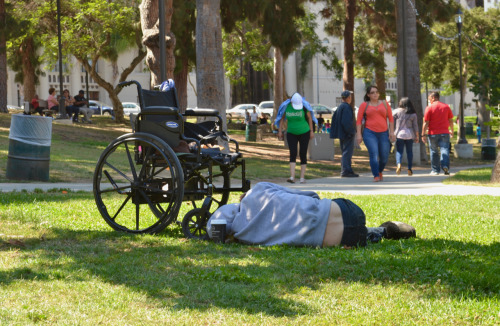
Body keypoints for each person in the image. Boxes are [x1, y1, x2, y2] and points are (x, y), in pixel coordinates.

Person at [206, 182, 416, 247]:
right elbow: (312, 194)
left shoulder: (245, 237)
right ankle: (381, 230)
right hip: (347, 212)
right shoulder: (259, 190)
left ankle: (376, 233)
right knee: (328, 211)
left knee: (355, 234)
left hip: (341, 240)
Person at [356, 86, 396, 182]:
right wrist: (359, 135)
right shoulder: (364, 105)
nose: (375, 94)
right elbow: (358, 121)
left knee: (384, 156)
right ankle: (376, 175)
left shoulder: (385, 104)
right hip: (369, 133)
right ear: (368, 95)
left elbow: (390, 119)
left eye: (376, 92)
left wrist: (392, 132)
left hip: (383, 133)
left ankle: (380, 171)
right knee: (374, 153)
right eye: (372, 92)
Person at [275, 93, 316, 184]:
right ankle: (292, 176)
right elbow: (282, 118)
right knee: (292, 153)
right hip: (291, 132)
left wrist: (311, 131)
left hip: (304, 132)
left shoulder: (304, 107)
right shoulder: (287, 106)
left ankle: (302, 177)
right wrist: (280, 131)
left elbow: (310, 118)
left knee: (302, 153)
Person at [422, 91, 454, 175]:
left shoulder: (429, 108)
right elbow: (451, 120)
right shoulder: (446, 107)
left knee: (434, 151)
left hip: (432, 133)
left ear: (433, 98)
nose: (429, 100)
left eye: (429, 98)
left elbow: (426, 122)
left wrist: (423, 134)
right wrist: (452, 130)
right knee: (445, 149)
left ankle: (435, 170)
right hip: (444, 132)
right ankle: (445, 166)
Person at [330, 90, 358, 177]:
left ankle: (347, 169)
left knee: (344, 151)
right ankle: (346, 170)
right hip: (347, 133)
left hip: (341, 133)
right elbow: (346, 122)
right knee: (347, 152)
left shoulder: (340, 107)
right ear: (349, 98)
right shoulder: (346, 107)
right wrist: (351, 131)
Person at [393, 97, 419, 176]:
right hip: (409, 134)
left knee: (399, 151)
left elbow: (392, 123)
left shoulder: (396, 111)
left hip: (399, 134)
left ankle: (398, 164)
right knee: (409, 152)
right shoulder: (413, 113)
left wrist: (392, 133)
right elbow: (415, 126)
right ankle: (409, 168)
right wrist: (417, 136)